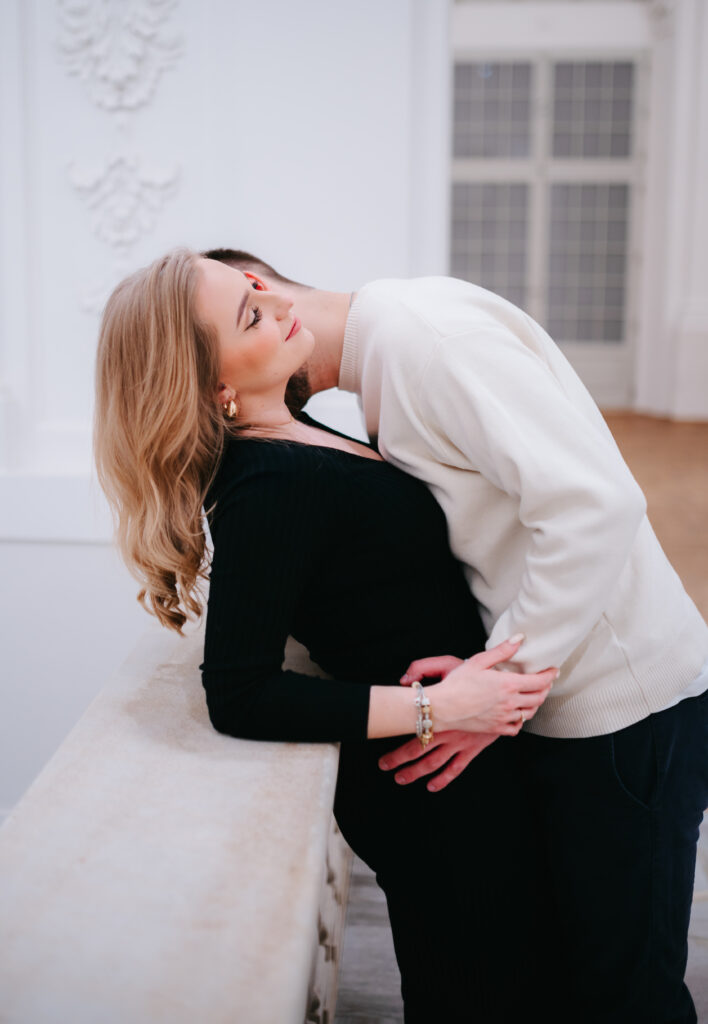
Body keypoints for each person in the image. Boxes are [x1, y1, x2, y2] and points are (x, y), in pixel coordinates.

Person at [202, 247, 708, 1024]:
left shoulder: (423, 341)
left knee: (626, 995)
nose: (267, 313)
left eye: (252, 301)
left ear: (264, 283)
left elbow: (595, 504)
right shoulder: (387, 362)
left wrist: (493, 686)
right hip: (563, 704)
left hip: (620, 705)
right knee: (581, 981)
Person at [93, 248, 558, 1023]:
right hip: (435, 792)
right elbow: (239, 692)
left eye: (257, 287)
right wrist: (439, 709)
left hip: (467, 768)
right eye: (251, 314)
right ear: (216, 389)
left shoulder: (295, 432)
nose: (280, 302)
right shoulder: (267, 485)